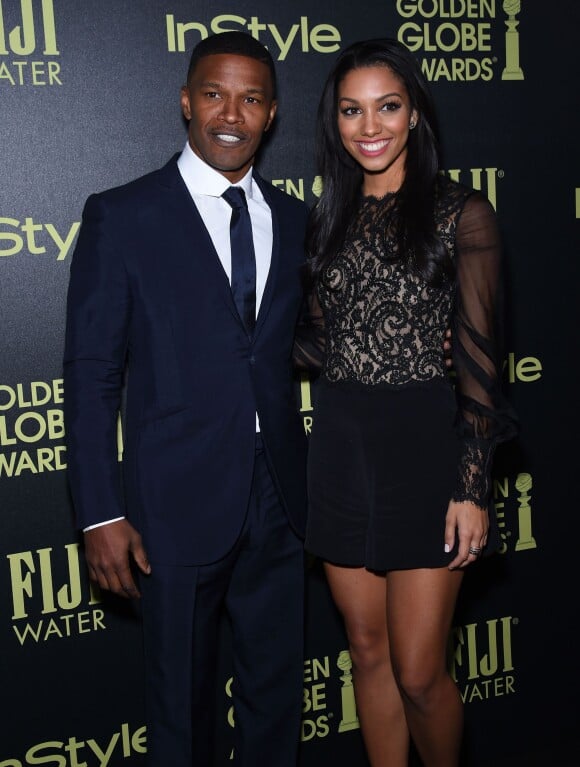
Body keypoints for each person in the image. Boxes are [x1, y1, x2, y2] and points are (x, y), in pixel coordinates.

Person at [63, 32, 309, 767]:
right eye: (214, 94)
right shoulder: (123, 215)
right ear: (185, 102)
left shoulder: (297, 220)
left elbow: (320, 338)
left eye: (251, 98)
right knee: (180, 708)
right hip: (169, 505)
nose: (230, 113)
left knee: (276, 699)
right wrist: (100, 511)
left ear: (270, 115)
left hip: (281, 498)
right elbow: (89, 372)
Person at [302, 38, 518, 766]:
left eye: (388, 107)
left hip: (426, 449)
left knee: (421, 671)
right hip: (340, 445)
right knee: (366, 649)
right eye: (352, 110)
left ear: (416, 114)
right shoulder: (325, 219)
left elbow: (484, 369)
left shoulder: (463, 214)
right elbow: (314, 343)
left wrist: (471, 485)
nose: (370, 126)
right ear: (334, 121)